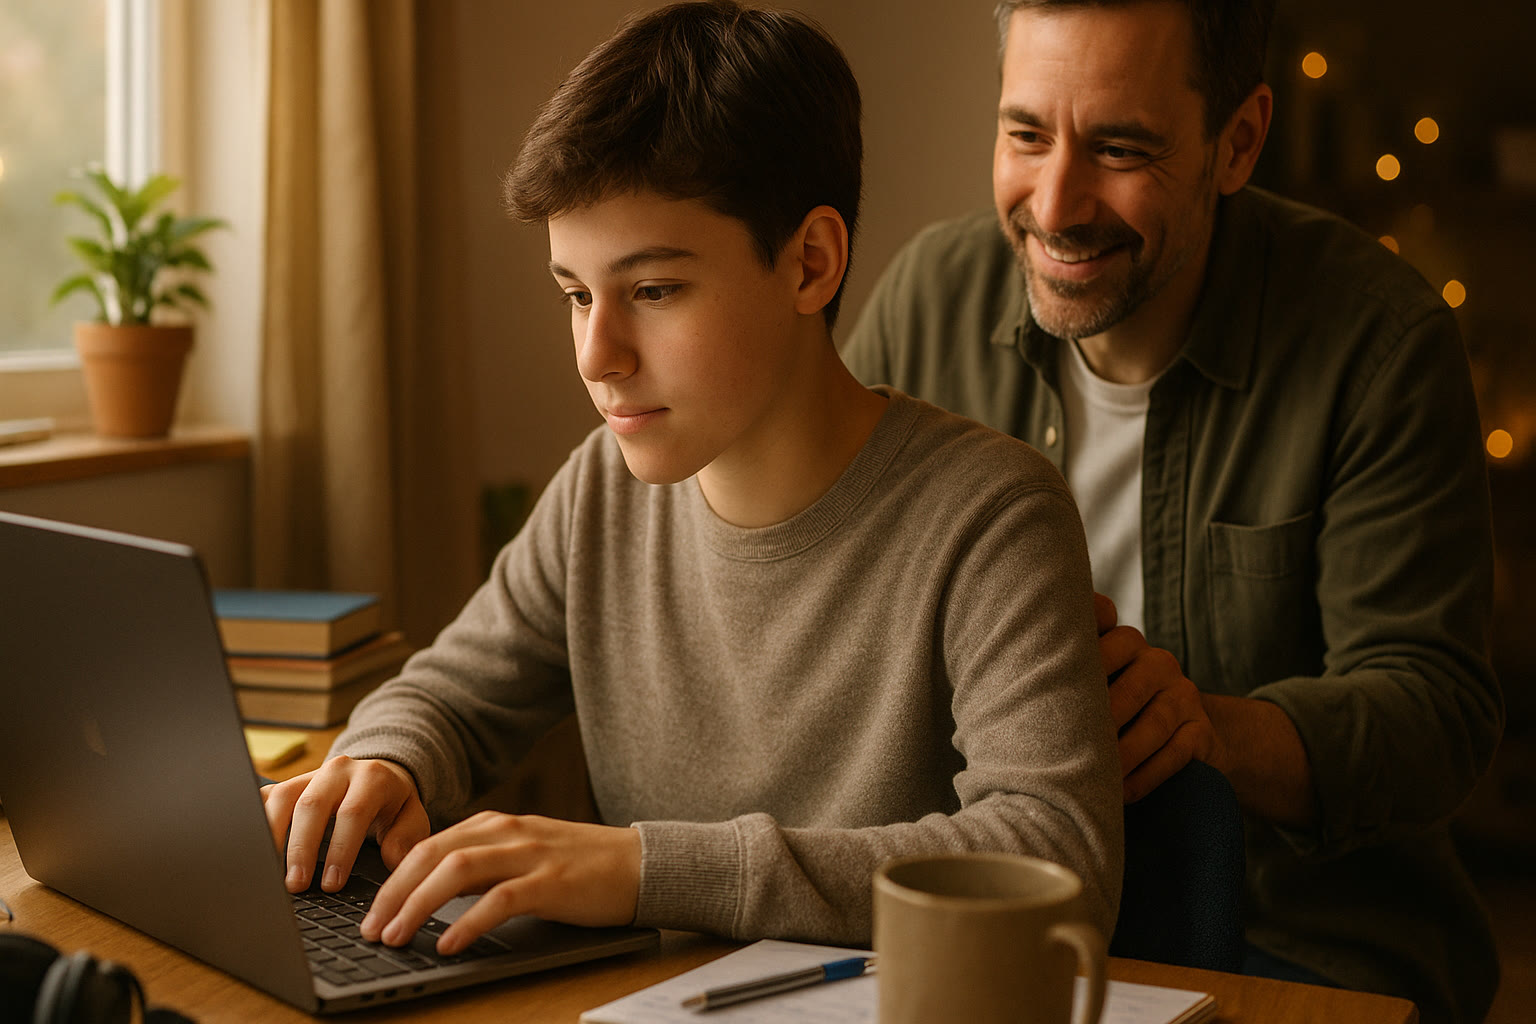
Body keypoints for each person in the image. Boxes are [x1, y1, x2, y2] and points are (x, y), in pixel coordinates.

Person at [260, 0, 1122, 961]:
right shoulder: (602, 491)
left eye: (653, 291)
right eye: (576, 296)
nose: (597, 354)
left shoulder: (994, 515)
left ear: (811, 262)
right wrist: (385, 757)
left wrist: (644, 870)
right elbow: (452, 696)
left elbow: (1060, 859)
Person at [840, 2, 1503, 1022]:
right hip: (990, 926)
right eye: (1025, 133)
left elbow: (1436, 711)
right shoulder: (925, 297)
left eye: (1119, 147)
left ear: (1237, 142)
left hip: (1291, 943)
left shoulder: (1381, 340)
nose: (1055, 203)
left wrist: (1211, 731)